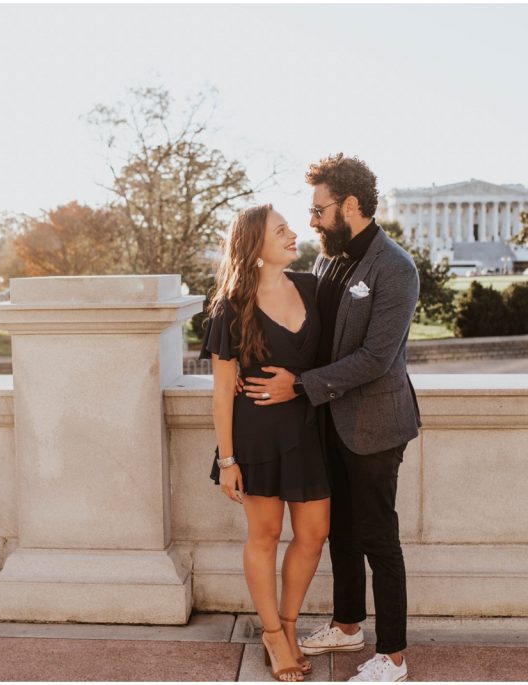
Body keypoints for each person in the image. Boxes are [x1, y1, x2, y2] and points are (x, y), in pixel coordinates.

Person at [242, 154, 421, 682]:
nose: (312, 220)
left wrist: (296, 385)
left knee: (378, 538)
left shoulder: (396, 267)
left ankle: (393, 657)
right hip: (328, 423)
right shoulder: (328, 260)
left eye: (319, 210)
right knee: (339, 530)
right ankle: (347, 626)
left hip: (375, 425)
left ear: (350, 205)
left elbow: (375, 358)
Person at [201, 203, 331, 682]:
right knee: (266, 534)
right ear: (255, 246)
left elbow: (338, 353)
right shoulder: (230, 307)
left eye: (290, 227)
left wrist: (300, 381)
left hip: (309, 428)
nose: (293, 233)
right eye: (281, 231)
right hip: (255, 436)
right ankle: (274, 635)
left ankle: (291, 624)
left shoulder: (313, 288)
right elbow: (220, 393)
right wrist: (228, 460)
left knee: (314, 533)